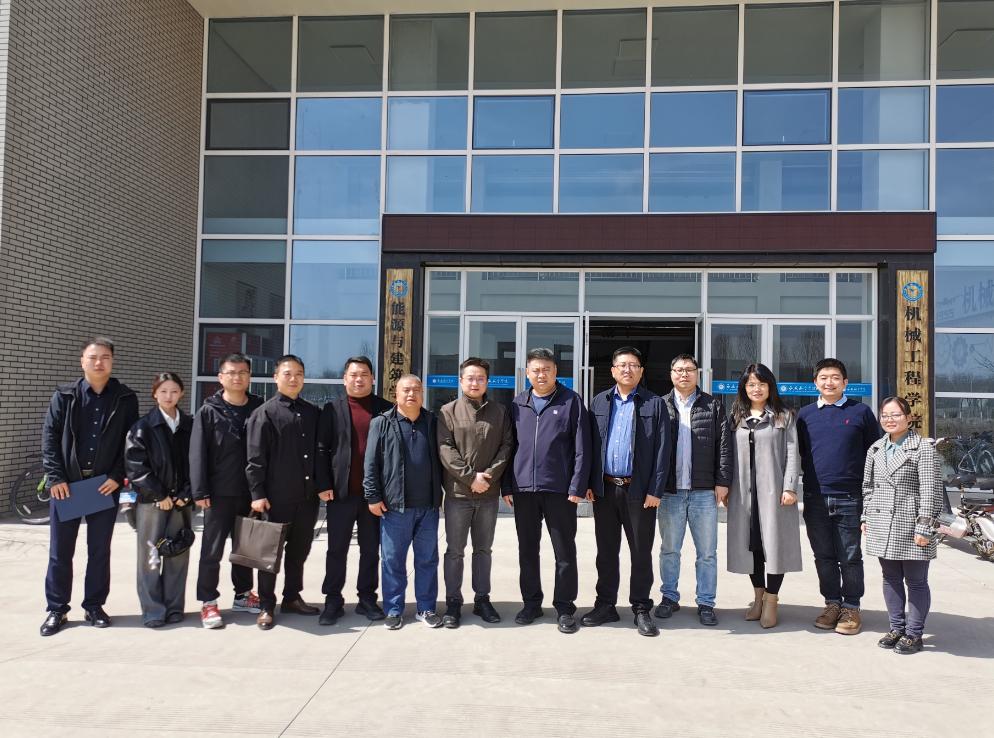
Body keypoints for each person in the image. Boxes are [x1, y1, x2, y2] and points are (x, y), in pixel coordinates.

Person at [40, 337, 139, 636]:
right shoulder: (64, 396)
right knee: (60, 552)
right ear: (82, 361)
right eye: (93, 357)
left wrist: (116, 476)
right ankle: (57, 609)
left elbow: (131, 442)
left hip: (103, 486)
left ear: (112, 361)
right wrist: (56, 477)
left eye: (105, 357)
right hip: (67, 486)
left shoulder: (125, 398)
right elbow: (50, 438)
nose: (99, 362)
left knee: (99, 551)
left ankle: (94, 606)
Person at [502, 348, 591, 635]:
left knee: (564, 551)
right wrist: (507, 485)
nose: (541, 375)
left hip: (560, 490)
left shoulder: (571, 401)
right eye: (536, 370)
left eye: (546, 370)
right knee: (527, 550)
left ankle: (565, 607)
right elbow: (509, 448)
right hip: (523, 490)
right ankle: (531, 604)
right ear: (527, 373)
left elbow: (582, 448)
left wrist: (577, 485)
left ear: (555, 372)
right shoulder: (518, 404)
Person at [583, 347, 670, 637]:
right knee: (606, 552)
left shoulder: (654, 404)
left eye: (633, 365)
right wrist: (589, 483)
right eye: (622, 365)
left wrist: (655, 490)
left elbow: (662, 451)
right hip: (606, 490)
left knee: (641, 553)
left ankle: (641, 608)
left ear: (641, 371)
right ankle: (605, 604)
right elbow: (590, 446)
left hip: (640, 492)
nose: (627, 369)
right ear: (613, 370)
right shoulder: (599, 401)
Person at [796, 358, 880, 635]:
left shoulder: (861, 412)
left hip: (849, 496)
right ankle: (832, 603)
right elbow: (799, 454)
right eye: (823, 377)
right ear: (815, 383)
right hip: (815, 496)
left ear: (845, 382)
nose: (829, 382)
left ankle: (852, 607)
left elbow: (874, 454)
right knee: (823, 555)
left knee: (850, 556)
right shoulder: (805, 415)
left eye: (835, 377)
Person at [245, 354, 328, 630]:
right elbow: (255, 459)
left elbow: (320, 453)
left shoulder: (312, 412)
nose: (293, 379)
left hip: (306, 497)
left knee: (299, 551)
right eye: (287, 374)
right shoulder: (265, 413)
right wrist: (257, 494)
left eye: (299, 374)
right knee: (269, 555)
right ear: (276, 377)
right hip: (275, 498)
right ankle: (266, 605)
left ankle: (292, 597)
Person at [861, 396, 943, 655]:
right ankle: (896, 628)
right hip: (882, 522)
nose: (890, 419)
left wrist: (925, 527)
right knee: (890, 578)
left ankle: (914, 633)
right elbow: (868, 487)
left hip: (911, 524)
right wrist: (866, 517)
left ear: (908, 418)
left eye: (896, 415)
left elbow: (931, 491)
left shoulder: (923, 448)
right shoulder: (875, 448)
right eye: (885, 415)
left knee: (916, 581)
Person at [315, 356, 392, 626]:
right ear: (344, 378)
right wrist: (323, 484)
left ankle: (367, 598)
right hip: (340, 493)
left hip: (374, 496)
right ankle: (333, 600)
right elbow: (321, 449)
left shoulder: (385, 409)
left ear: (373, 378)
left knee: (371, 550)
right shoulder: (331, 409)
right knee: (336, 549)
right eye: (353, 374)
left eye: (364, 374)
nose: (359, 379)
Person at [656, 354, 732, 626]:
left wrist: (723, 481)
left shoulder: (712, 405)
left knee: (707, 552)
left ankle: (706, 602)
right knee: (669, 550)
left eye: (689, 369)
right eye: (679, 370)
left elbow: (724, 445)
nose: (684, 374)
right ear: (671, 374)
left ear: (698, 374)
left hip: (703, 491)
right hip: (670, 492)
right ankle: (669, 597)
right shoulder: (660, 405)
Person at [437, 357, 513, 628]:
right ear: (461, 381)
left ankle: (482, 599)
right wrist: (471, 478)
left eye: (480, 378)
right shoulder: (447, 411)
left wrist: (488, 476)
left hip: (488, 495)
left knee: (483, 549)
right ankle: (453, 602)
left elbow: (506, 446)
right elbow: (445, 449)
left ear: (487, 382)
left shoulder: (500, 412)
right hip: (458, 495)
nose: (475, 382)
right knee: (455, 551)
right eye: (470, 378)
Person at [364, 374, 443, 630]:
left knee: (427, 560)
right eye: (406, 390)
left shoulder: (433, 421)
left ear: (422, 394)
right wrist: (373, 496)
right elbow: (371, 463)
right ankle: (394, 609)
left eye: (416, 390)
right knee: (392, 561)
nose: (411, 394)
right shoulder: (381, 423)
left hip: (428, 507)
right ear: (395, 394)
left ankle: (426, 607)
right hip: (394, 507)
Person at [726, 363, 802, 629]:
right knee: (752, 547)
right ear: (744, 388)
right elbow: (727, 454)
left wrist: (790, 487)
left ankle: (771, 600)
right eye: (751, 384)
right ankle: (758, 597)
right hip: (743, 492)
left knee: (775, 546)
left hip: (774, 492)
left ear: (770, 387)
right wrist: (724, 486)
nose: (756, 389)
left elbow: (792, 452)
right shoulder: (736, 416)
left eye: (761, 384)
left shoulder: (783, 416)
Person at [191, 352, 264, 629]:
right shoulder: (208, 411)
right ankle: (208, 601)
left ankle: (243, 595)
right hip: (218, 493)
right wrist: (200, 491)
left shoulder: (258, 407)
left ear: (249, 376)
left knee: (245, 550)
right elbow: (197, 453)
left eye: (242, 372)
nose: (237, 377)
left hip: (249, 492)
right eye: (231, 373)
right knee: (212, 550)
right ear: (221, 377)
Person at [125, 373, 194, 627]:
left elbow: (198, 463)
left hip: (181, 502)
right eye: (163, 391)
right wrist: (160, 494)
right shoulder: (142, 427)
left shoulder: (190, 425)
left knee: (178, 552)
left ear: (181, 393)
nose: (169, 396)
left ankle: (174, 608)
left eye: (174, 391)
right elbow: (135, 466)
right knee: (150, 556)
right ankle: (153, 611)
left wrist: (186, 493)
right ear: (154, 393)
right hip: (152, 502)